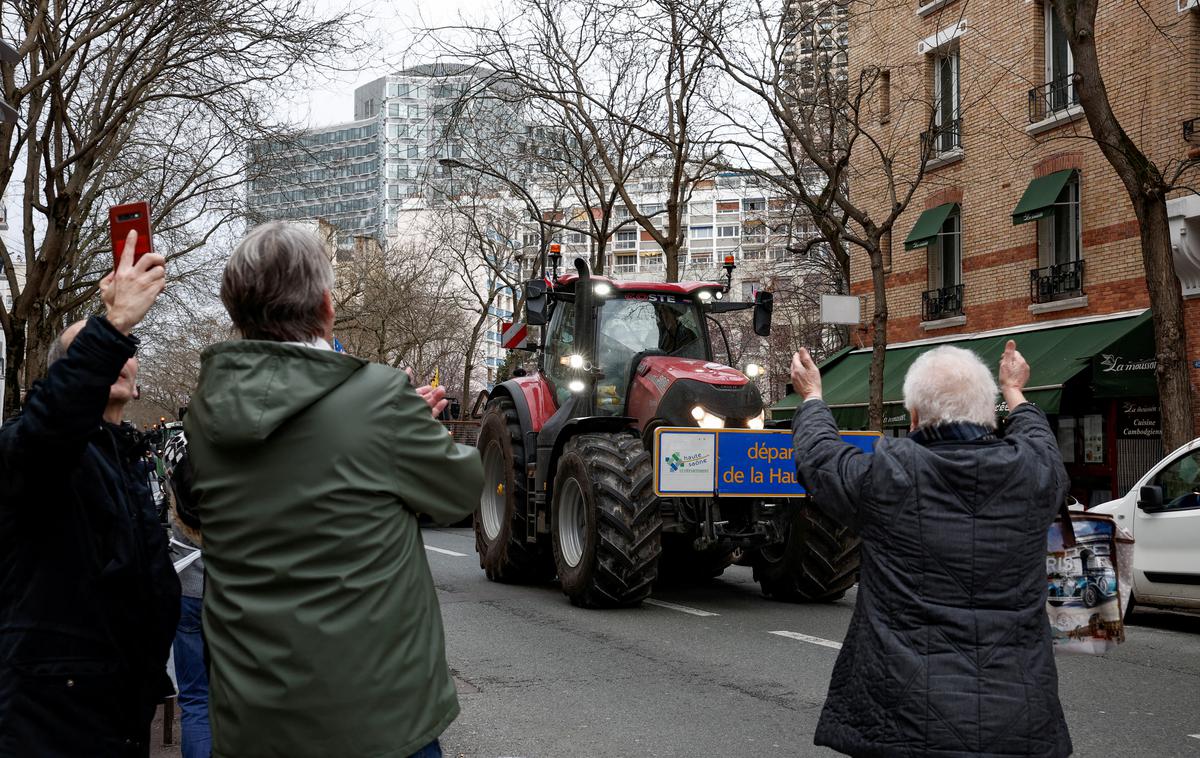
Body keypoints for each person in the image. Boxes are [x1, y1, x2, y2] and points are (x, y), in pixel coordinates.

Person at [183, 222, 483, 758]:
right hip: (379, 721)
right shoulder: (380, 399)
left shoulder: (205, 414)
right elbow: (459, 492)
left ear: (237, 313)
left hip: (254, 721)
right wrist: (411, 424)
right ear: (326, 303)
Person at [790, 340, 1071, 758]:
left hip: (903, 722)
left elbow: (820, 458)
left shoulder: (888, 474)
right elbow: (1039, 439)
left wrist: (813, 397)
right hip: (1018, 723)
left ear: (915, 416)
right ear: (988, 414)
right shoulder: (1036, 473)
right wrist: (1014, 390)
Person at [0, 231, 181, 756]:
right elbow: (48, 429)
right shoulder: (41, 450)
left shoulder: (129, 456)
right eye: (92, 350)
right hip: (51, 717)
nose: (117, 356)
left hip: (120, 707)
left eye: (125, 351)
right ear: (68, 378)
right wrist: (115, 323)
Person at [162, 432, 211, 758]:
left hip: (186, 583)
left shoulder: (175, 445)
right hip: (227, 584)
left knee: (195, 699)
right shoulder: (226, 447)